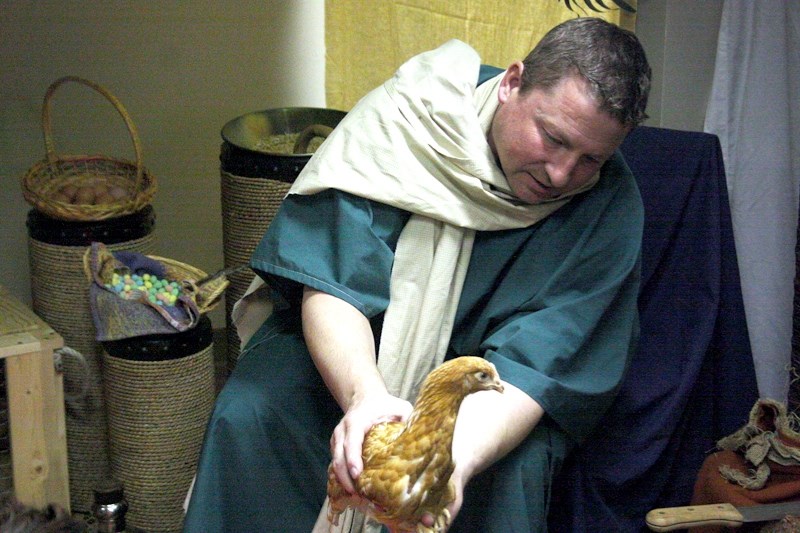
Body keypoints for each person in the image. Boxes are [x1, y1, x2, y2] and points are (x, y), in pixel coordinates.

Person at [184, 16, 651, 532]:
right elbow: (330, 275)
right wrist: (366, 399)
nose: (561, 174)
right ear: (513, 83)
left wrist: (449, 468)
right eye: (552, 138)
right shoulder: (413, 113)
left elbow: (535, 371)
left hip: (483, 400)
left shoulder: (610, 207)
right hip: (357, 348)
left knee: (513, 475)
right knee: (251, 410)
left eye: (591, 159)